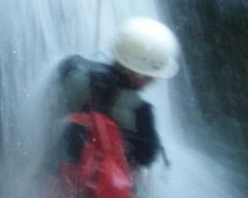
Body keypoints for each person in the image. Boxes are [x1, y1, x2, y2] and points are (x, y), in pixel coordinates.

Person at [49, 16, 180, 171]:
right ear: (142, 73)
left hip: (59, 168)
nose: (154, 80)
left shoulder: (72, 70)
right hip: (105, 184)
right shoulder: (141, 112)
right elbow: (146, 158)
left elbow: (54, 104)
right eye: (152, 75)